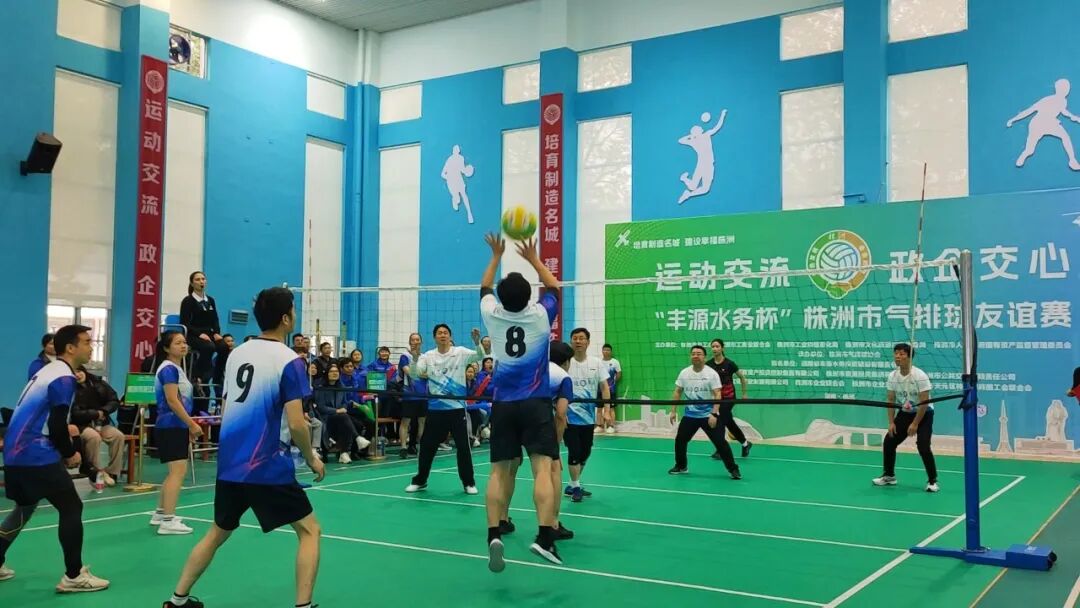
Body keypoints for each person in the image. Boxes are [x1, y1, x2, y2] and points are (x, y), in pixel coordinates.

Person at [162, 287, 326, 608]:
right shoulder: (290, 361)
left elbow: (227, 406)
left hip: (230, 464)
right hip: (266, 464)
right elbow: (297, 423)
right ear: (285, 318)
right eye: (293, 309)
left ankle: (176, 600)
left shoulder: (238, 353)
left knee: (217, 532)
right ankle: (303, 606)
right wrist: (312, 458)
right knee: (310, 531)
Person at [0, 324, 110, 592]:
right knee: (71, 507)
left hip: (15, 453)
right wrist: (69, 453)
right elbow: (58, 423)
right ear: (70, 348)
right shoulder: (63, 377)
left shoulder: (49, 371)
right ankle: (74, 576)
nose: (91, 346)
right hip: (34, 453)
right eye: (86, 342)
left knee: (25, 507)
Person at [480, 233, 563, 570]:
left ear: (501, 297)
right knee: (542, 468)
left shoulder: (492, 315)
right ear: (530, 296)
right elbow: (554, 287)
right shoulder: (540, 316)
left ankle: (493, 533)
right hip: (535, 402)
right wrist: (533, 258)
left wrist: (496, 255)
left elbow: (484, 288)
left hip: (503, 404)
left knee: (499, 471)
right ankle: (544, 537)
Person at [405, 324, 482, 494]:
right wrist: (415, 358)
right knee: (427, 447)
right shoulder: (427, 356)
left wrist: (477, 342)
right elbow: (415, 374)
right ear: (434, 337)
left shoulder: (460, 352)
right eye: (439, 333)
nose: (443, 335)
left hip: (457, 409)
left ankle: (469, 483)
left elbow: (480, 355)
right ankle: (420, 481)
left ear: (450, 336)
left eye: (445, 333)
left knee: (463, 447)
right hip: (435, 410)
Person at [151, 331, 204, 535]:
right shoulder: (168, 369)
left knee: (173, 471)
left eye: (184, 342)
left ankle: (160, 513)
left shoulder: (176, 368)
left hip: (175, 426)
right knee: (178, 472)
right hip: (171, 425)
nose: (183, 346)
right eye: (177, 343)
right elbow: (172, 401)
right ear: (166, 348)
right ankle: (168, 521)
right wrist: (191, 424)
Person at [872, 343, 938, 493]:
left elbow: (924, 402)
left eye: (902, 354)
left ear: (909, 357)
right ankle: (889, 476)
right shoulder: (892, 376)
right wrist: (891, 422)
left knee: (923, 445)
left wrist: (915, 424)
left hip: (924, 413)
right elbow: (890, 400)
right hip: (905, 412)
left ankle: (932, 481)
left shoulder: (920, 376)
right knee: (889, 441)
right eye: (896, 353)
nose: (897, 357)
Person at [668, 345, 740, 479]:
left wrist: (714, 414)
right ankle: (681, 466)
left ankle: (733, 469)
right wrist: (673, 411)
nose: (696, 356)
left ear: (704, 357)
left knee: (720, 443)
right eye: (693, 353)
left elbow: (717, 394)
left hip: (708, 415)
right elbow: (677, 391)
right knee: (680, 440)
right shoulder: (684, 373)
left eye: (699, 354)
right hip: (690, 415)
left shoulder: (711, 373)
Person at [564, 327, 611, 503]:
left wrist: (607, 410)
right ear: (571, 342)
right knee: (574, 451)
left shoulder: (596, 363)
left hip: (588, 417)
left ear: (588, 342)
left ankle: (572, 484)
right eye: (575, 338)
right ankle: (576, 487)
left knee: (585, 452)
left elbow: (604, 387)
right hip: (569, 417)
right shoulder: (565, 363)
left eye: (582, 338)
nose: (578, 341)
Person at [70, 366, 123, 491]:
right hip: (80, 426)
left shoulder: (99, 383)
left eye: (79, 371)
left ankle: (112, 472)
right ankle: (95, 473)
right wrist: (95, 414)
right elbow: (74, 413)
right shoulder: (69, 389)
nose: (77, 375)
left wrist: (104, 411)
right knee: (93, 437)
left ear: (84, 371)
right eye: (74, 373)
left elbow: (114, 400)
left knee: (118, 436)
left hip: (101, 423)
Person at [179, 271, 230, 387]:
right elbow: (184, 323)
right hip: (193, 334)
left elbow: (215, 319)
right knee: (209, 347)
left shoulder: (210, 300)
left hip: (209, 333)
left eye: (203, 279)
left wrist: (216, 333)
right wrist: (199, 334)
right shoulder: (188, 301)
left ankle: (217, 377)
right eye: (197, 280)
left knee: (223, 346)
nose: (201, 282)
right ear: (192, 283)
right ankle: (197, 376)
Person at [706, 338, 752, 458]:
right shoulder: (709, 364)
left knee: (720, 420)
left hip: (729, 397)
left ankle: (721, 449)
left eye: (717, 346)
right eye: (713, 346)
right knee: (729, 422)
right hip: (716, 398)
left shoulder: (729, 363)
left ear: (722, 348)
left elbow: (742, 378)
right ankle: (745, 443)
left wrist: (744, 394)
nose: (715, 349)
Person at [398, 333, 427, 458]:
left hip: (423, 394)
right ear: (410, 342)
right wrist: (420, 373)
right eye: (413, 340)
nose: (415, 342)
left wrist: (419, 373)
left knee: (422, 422)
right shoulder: (405, 356)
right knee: (406, 421)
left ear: (421, 342)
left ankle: (421, 446)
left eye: (417, 339)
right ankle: (403, 447)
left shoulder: (425, 357)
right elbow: (409, 373)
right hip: (409, 393)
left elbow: (429, 374)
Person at [599, 343, 621, 434]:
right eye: (604, 350)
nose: (606, 351)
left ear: (611, 351)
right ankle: (599, 426)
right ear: (602, 351)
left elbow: (619, 373)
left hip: (611, 389)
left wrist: (613, 383)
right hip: (600, 389)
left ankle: (611, 426)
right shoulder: (599, 362)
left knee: (611, 408)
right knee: (599, 408)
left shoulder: (615, 362)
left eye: (608, 350)